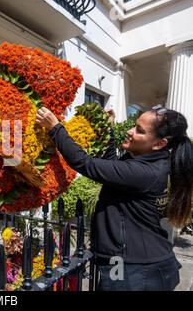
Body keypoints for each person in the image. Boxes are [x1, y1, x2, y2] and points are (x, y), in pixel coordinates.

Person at [36, 104, 192, 291]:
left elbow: (86, 164)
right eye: (135, 125)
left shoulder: (146, 173)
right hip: (143, 264)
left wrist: (55, 128)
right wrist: (109, 129)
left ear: (160, 143)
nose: (129, 131)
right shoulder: (152, 162)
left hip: (132, 270)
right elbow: (112, 169)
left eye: (139, 131)